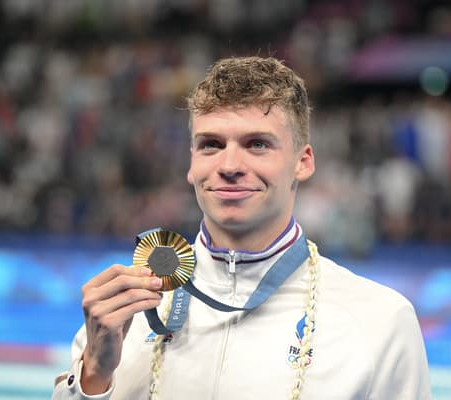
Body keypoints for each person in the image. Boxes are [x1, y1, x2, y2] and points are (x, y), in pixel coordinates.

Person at [52, 56, 431, 399]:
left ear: (303, 162)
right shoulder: (119, 313)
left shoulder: (380, 322)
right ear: (191, 162)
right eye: (211, 145)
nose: (229, 165)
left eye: (257, 144)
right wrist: (93, 378)